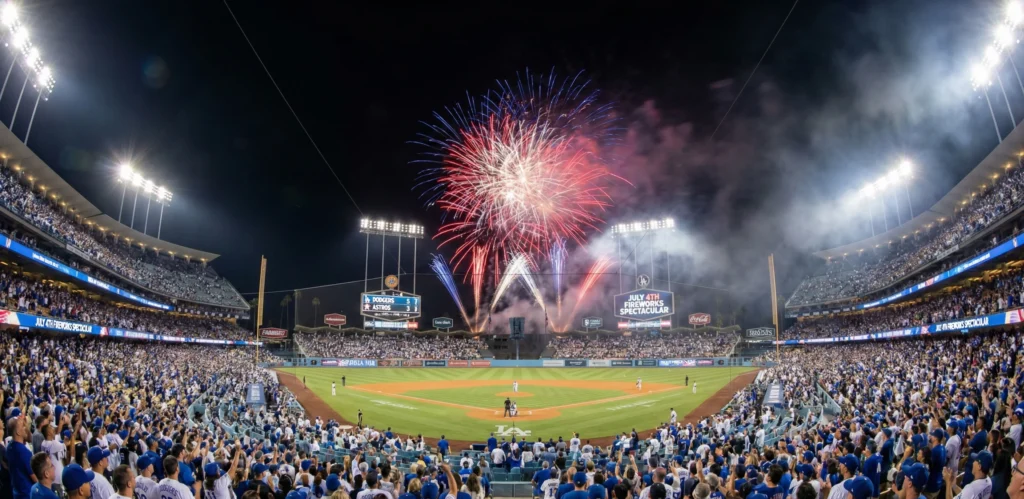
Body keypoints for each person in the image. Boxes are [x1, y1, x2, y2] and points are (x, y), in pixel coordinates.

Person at [7, 416, 35, 499]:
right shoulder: (24, 451)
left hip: (16, 493)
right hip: (27, 494)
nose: (25, 427)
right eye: (23, 425)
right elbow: (34, 477)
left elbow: (29, 439)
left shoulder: (9, 446)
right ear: (18, 432)